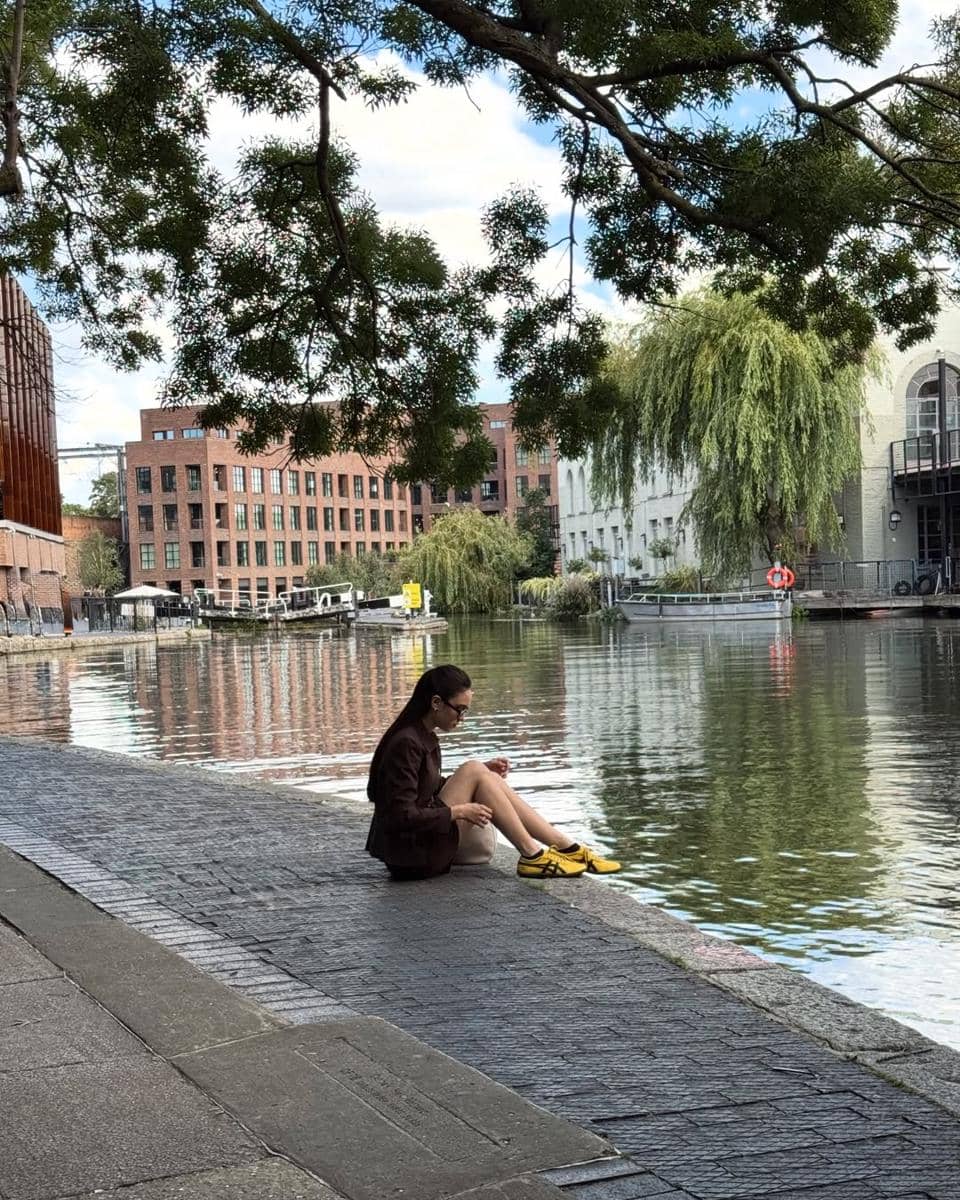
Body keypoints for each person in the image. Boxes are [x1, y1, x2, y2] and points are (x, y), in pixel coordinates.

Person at [366, 664, 621, 881]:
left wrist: (480, 775)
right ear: (436, 702)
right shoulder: (407, 742)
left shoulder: (421, 735)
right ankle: (539, 854)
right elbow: (399, 815)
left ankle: (562, 848)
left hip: (417, 849)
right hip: (411, 858)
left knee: (480, 772)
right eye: (460, 710)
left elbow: (423, 789)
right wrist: (459, 811)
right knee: (474, 770)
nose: (462, 718)